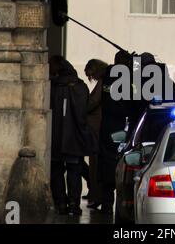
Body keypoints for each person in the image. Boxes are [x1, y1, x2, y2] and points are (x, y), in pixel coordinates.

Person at [49, 56, 96, 216]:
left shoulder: (51, 87)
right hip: (74, 138)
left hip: (55, 138)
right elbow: (85, 114)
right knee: (74, 172)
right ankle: (74, 205)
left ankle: (61, 203)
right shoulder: (81, 87)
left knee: (56, 172)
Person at [98, 50, 133, 214]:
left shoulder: (108, 75)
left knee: (106, 163)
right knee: (120, 164)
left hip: (106, 125)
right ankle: (119, 204)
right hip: (121, 126)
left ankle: (106, 203)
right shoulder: (127, 79)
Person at [83, 59, 108, 210]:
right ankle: (95, 193)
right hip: (98, 129)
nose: (90, 78)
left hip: (96, 129)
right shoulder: (105, 82)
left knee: (96, 163)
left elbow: (92, 102)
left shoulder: (102, 83)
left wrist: (81, 108)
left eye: (90, 74)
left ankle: (96, 195)